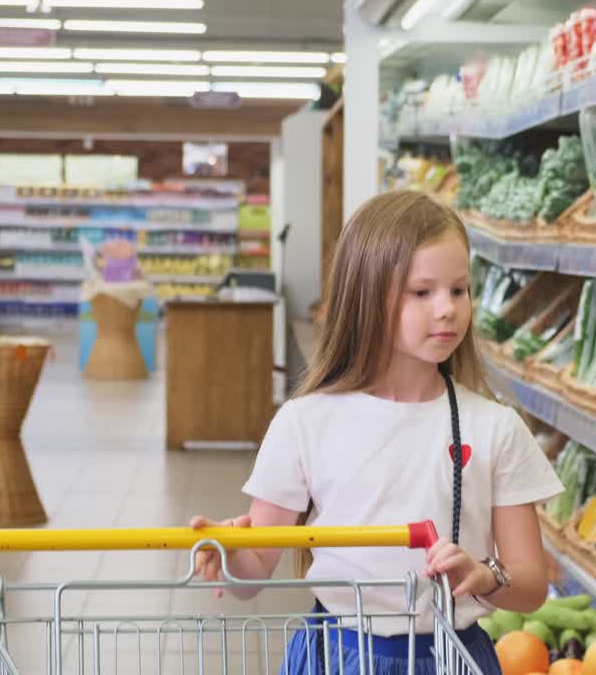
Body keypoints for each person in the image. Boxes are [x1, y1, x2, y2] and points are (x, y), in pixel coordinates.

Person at [190, 190, 564, 675]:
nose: (448, 309)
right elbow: (253, 575)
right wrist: (231, 552)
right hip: (337, 655)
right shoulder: (305, 422)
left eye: (460, 289)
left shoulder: (495, 428)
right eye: (422, 292)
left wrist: (484, 574)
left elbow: (532, 585)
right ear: (366, 296)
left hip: (451, 655)